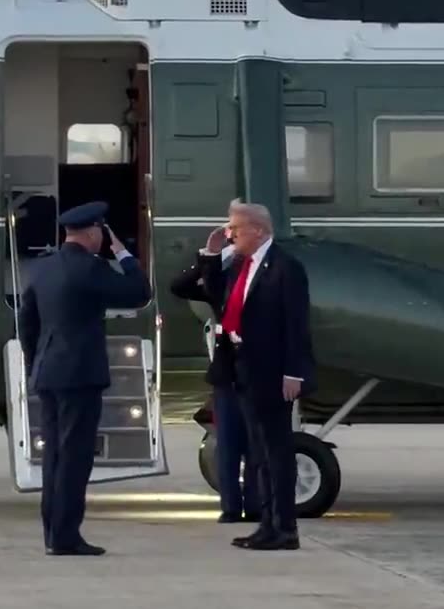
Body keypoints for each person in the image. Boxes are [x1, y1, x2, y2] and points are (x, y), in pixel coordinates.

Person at [178, 201, 314, 552]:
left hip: (271, 372)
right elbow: (198, 288)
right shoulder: (241, 264)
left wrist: (293, 372)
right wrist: (210, 253)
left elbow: (297, 326)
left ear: (257, 229)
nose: (230, 234)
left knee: (276, 451)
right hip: (242, 369)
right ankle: (267, 525)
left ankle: (285, 528)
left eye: (235, 229)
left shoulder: (285, 268)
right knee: (259, 453)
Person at [19, 200, 152, 558]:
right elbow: (139, 293)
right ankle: (66, 537)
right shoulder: (91, 269)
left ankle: (52, 532)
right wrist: (123, 255)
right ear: (94, 233)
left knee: (54, 457)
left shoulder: (42, 268)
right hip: (79, 373)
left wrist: (36, 363)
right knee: (76, 457)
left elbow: (27, 322)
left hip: (48, 372)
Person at [170, 236, 261, 526]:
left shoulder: (270, 279)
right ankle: (231, 508)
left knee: (256, 446)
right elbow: (180, 286)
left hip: (259, 373)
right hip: (227, 375)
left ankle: (256, 505)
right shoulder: (220, 282)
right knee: (228, 446)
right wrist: (211, 254)